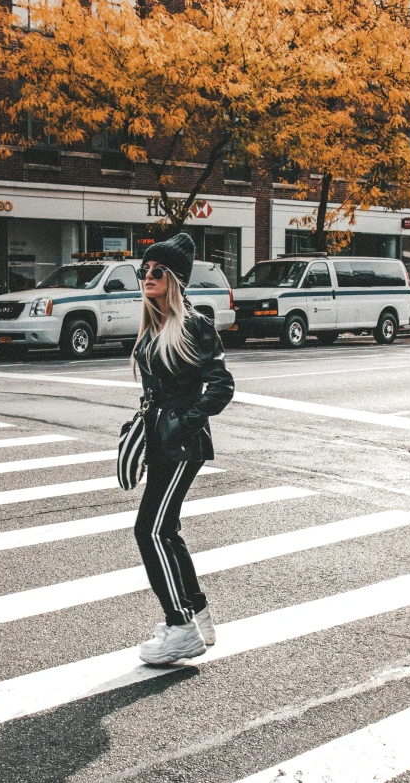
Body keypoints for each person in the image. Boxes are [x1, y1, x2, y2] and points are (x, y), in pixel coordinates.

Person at [131, 232, 234, 664]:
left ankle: (179, 626)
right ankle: (198, 617)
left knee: (149, 530)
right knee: (166, 529)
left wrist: (185, 421)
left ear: (174, 279)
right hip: (160, 438)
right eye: (144, 270)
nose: (148, 277)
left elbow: (222, 385)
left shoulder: (193, 322)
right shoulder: (155, 323)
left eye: (157, 272)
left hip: (181, 443)